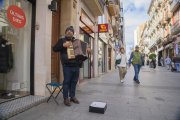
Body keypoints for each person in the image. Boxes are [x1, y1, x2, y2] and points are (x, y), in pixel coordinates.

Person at [53, 26, 90, 106]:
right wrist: (63, 45)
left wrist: (87, 50)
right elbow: (54, 49)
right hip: (67, 65)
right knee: (66, 82)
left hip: (76, 65)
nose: (69, 32)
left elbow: (82, 53)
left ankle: (72, 97)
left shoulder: (77, 41)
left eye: (71, 31)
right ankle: (66, 98)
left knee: (74, 82)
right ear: (65, 32)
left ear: (73, 33)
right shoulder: (62, 40)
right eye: (68, 30)